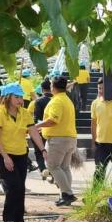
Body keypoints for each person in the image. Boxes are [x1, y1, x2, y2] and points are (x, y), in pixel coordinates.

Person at [0, 83, 34, 222]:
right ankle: (8, 218)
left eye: (21, 97)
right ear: (8, 97)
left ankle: (19, 219)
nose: (20, 100)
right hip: (4, 154)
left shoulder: (25, 113)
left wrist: (42, 150)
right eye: (16, 97)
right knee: (13, 186)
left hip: (21, 153)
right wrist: (5, 157)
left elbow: (33, 131)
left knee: (20, 187)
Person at [35, 75, 79, 206]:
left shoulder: (57, 101)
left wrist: (37, 125)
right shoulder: (66, 100)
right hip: (69, 138)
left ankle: (68, 194)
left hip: (58, 139)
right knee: (64, 167)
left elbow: (53, 120)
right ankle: (65, 195)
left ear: (52, 87)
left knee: (53, 166)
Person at [90, 80, 112, 183]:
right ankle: (96, 193)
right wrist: (94, 142)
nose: (101, 91)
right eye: (99, 88)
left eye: (103, 88)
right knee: (99, 171)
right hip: (101, 143)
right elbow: (93, 124)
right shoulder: (95, 103)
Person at [32, 79, 53, 180]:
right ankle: (52, 172)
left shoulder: (38, 101)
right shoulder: (56, 100)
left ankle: (43, 169)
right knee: (51, 152)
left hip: (40, 129)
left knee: (39, 151)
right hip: (53, 131)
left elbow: (36, 118)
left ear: (42, 89)